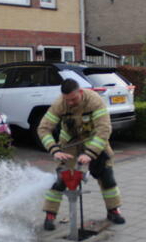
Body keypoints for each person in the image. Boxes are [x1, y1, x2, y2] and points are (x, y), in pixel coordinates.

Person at [37, 78, 124, 231]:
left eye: (73, 99)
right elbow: (43, 129)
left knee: (106, 176)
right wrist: (55, 150)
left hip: (94, 141)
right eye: (66, 100)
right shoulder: (59, 104)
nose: (70, 103)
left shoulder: (95, 102)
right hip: (69, 145)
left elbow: (104, 130)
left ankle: (113, 210)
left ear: (81, 92)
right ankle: (50, 215)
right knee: (61, 179)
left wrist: (90, 153)